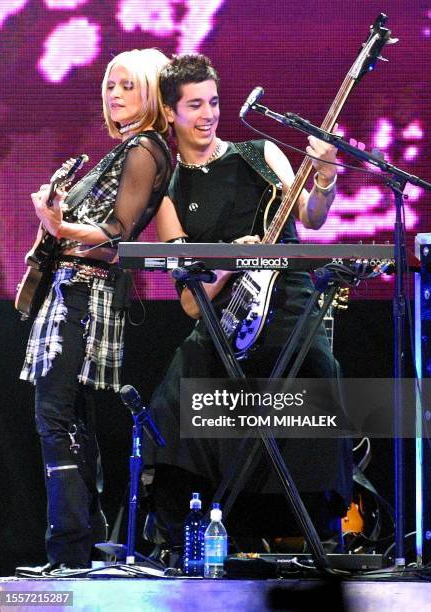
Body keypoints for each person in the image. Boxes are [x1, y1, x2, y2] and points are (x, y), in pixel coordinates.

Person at [145, 53, 352, 551]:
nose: (209, 114)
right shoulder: (170, 192)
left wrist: (323, 174)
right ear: (170, 112)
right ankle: (191, 532)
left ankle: (310, 531)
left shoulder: (260, 152)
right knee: (178, 397)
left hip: (286, 302)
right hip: (225, 320)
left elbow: (313, 216)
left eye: (214, 102)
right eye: (195, 105)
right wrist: (230, 260)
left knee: (316, 377)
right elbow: (192, 304)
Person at [18, 48, 172, 573]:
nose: (115, 94)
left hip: (84, 296)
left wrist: (59, 227)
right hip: (77, 292)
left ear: (152, 92)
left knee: (55, 418)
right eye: (110, 84)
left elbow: (117, 233)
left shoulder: (145, 149)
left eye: (128, 85)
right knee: (71, 422)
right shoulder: (127, 149)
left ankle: (68, 554)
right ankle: (81, 551)